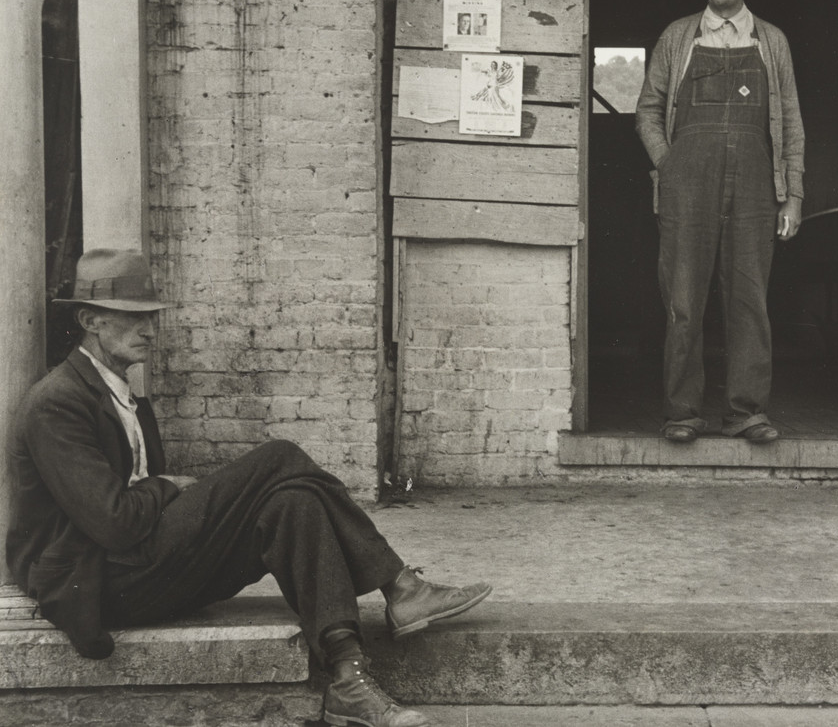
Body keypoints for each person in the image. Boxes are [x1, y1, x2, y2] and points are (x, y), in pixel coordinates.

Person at [6, 248, 492, 727]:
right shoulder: (57, 403)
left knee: (294, 503)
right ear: (91, 321)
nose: (150, 330)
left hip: (140, 565)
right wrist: (167, 485)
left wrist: (166, 492)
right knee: (279, 456)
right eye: (134, 318)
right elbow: (113, 523)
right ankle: (400, 584)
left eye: (151, 317)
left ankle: (349, 680)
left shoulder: (127, 397)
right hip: (97, 582)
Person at [635, 0, 805, 445]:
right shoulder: (678, 37)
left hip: (756, 187)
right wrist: (671, 164)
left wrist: (793, 195)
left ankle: (746, 412)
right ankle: (682, 412)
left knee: (749, 300)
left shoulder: (771, 41)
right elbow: (647, 110)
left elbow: (792, 121)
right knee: (684, 299)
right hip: (689, 185)